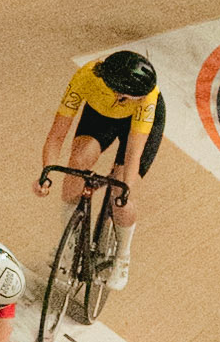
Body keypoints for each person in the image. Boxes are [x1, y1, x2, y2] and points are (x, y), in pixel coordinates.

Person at [33, 50, 163, 293]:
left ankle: (122, 256)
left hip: (138, 124)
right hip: (102, 114)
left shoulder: (147, 99)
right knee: (77, 164)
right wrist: (46, 174)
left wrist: (125, 190)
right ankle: (69, 244)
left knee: (119, 193)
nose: (142, 98)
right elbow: (57, 134)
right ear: (119, 93)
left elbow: (133, 155)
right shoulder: (86, 78)